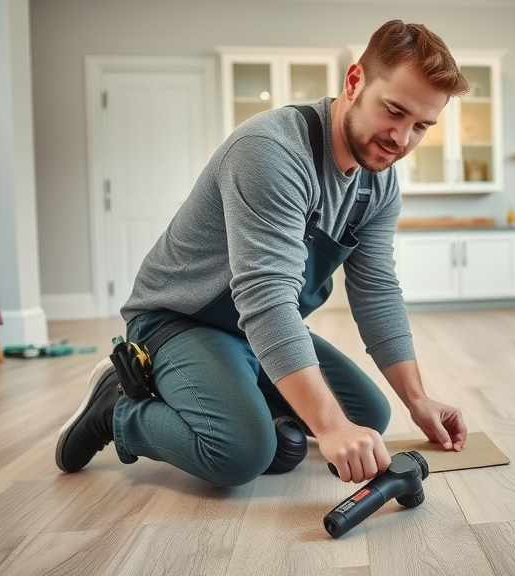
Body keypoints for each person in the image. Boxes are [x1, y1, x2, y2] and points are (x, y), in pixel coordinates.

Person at [55, 20, 469, 487]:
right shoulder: (270, 150)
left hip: (253, 329)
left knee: (370, 413)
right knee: (242, 452)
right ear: (355, 82)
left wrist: (418, 400)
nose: (402, 139)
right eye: (394, 111)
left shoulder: (379, 183)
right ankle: (120, 411)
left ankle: (240, 396)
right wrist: (329, 428)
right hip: (180, 319)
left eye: (421, 126)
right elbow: (267, 295)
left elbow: (376, 290)